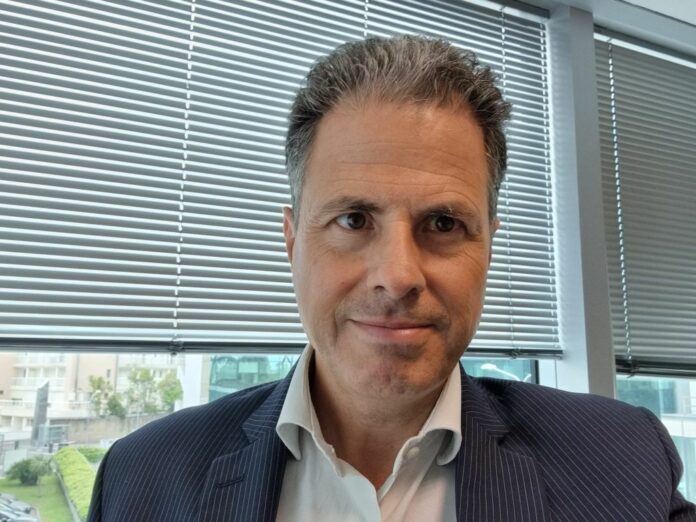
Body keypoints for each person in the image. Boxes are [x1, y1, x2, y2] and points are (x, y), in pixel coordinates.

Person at [87, 35, 695, 522]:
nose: (399, 276)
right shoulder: (142, 479)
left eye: (444, 223)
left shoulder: (621, 459)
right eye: (353, 220)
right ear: (293, 241)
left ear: (488, 245)